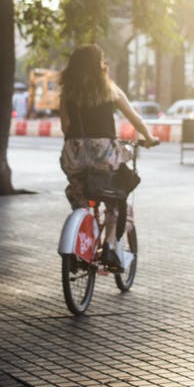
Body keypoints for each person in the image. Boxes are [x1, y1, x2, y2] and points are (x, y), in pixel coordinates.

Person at [59, 44, 158, 272]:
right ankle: (111, 245)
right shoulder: (109, 89)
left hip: (73, 152)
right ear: (99, 64)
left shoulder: (68, 93)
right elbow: (136, 119)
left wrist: (79, 146)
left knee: (80, 194)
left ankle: (81, 235)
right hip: (104, 153)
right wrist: (149, 137)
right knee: (116, 196)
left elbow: (66, 126)